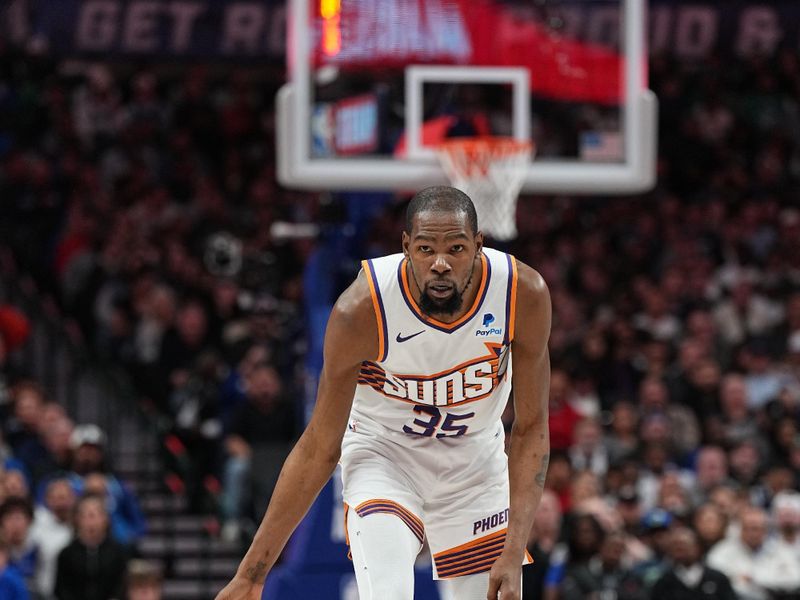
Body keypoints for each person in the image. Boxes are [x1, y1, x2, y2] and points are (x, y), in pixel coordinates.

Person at [215, 186, 552, 600]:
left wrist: (514, 545)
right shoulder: (361, 310)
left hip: (476, 464)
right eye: (426, 249)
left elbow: (532, 427)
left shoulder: (522, 294)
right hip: (385, 457)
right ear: (407, 246)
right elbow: (319, 445)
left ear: (479, 246)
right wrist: (252, 573)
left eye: (457, 248)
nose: (441, 264)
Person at [651, 527, 736, 600]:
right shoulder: (663, 583)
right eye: (675, 546)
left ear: (697, 547)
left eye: (684, 545)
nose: (680, 549)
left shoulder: (717, 579)